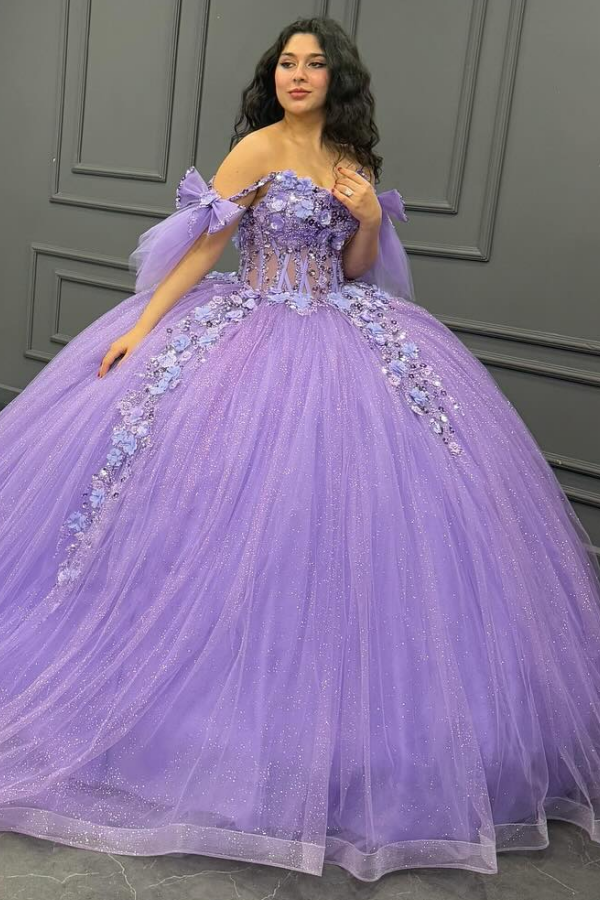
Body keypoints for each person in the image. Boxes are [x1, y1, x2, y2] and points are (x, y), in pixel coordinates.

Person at [0, 14, 599, 885]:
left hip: (342, 332)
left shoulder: (351, 160)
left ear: (336, 79)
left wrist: (366, 217)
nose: (298, 74)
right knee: (224, 518)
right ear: (272, 75)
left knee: (351, 530)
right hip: (249, 335)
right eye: (286, 62)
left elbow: (357, 269)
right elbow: (204, 250)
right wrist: (144, 324)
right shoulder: (255, 150)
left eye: (315, 64)